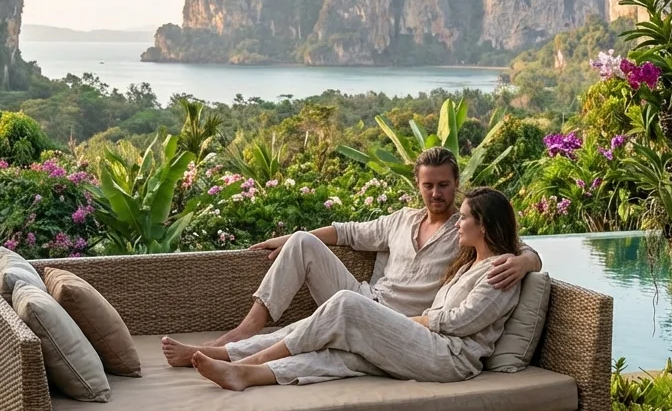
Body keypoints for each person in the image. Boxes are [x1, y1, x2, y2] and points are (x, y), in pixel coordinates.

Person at [161, 147, 540, 367]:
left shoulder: (467, 228)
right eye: (428, 185)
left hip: (404, 323)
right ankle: (245, 331)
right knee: (302, 242)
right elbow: (345, 232)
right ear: (418, 185)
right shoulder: (401, 220)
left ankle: (227, 356)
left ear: (456, 184)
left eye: (444, 185)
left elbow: (514, 247)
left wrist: (525, 263)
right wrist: (285, 239)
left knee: (312, 325)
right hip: (364, 296)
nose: (436, 193)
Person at [182, 187, 524, 390]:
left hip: (449, 359)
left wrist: (417, 321)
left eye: (465, 218)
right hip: (425, 342)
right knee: (339, 356)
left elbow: (462, 322)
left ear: (485, 225)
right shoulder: (467, 261)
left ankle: (252, 357)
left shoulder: (501, 271)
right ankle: (245, 371)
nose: (458, 223)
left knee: (345, 304)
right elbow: (348, 231)